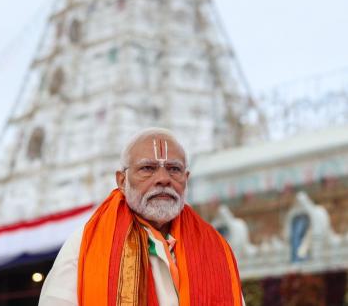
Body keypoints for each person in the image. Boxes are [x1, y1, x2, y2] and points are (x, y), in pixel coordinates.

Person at [38, 128, 245, 306]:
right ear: (122, 180)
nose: (163, 179)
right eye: (148, 168)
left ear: (186, 179)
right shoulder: (87, 243)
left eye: (174, 169)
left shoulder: (214, 246)